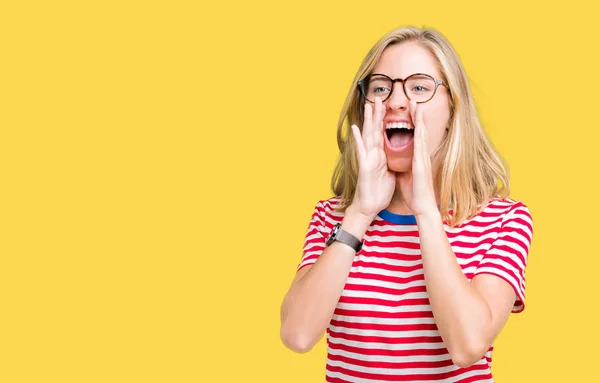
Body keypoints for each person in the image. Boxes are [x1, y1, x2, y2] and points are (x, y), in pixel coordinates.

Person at [279, 26, 534, 383]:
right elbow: (297, 334)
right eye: (381, 87)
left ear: (452, 109)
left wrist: (427, 212)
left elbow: (467, 345)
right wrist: (360, 214)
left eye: (419, 87)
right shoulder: (333, 218)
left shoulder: (503, 219)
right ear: (365, 107)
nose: (397, 101)